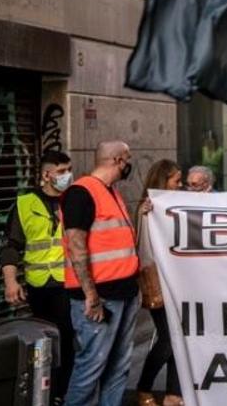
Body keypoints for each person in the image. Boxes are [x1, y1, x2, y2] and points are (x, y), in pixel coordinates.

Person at [62, 141, 140, 406]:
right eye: (128, 158)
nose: (130, 164)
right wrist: (91, 295)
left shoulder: (111, 193)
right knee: (91, 367)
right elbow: (75, 245)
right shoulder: (81, 193)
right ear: (118, 160)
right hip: (101, 298)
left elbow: (118, 241)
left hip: (125, 292)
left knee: (119, 366)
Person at [0, 151, 75, 402]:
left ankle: (61, 394)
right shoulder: (25, 203)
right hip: (40, 287)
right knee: (45, 344)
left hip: (69, 283)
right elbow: (11, 246)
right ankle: (45, 392)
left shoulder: (74, 199)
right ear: (46, 174)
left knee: (67, 340)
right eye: (62, 171)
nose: (68, 176)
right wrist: (11, 282)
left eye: (69, 170)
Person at [135, 160, 184, 406]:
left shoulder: (168, 205)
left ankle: (173, 393)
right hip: (160, 284)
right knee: (169, 340)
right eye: (177, 180)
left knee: (178, 339)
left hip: (177, 285)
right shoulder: (148, 208)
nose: (181, 185)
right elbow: (146, 252)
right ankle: (144, 388)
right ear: (164, 180)